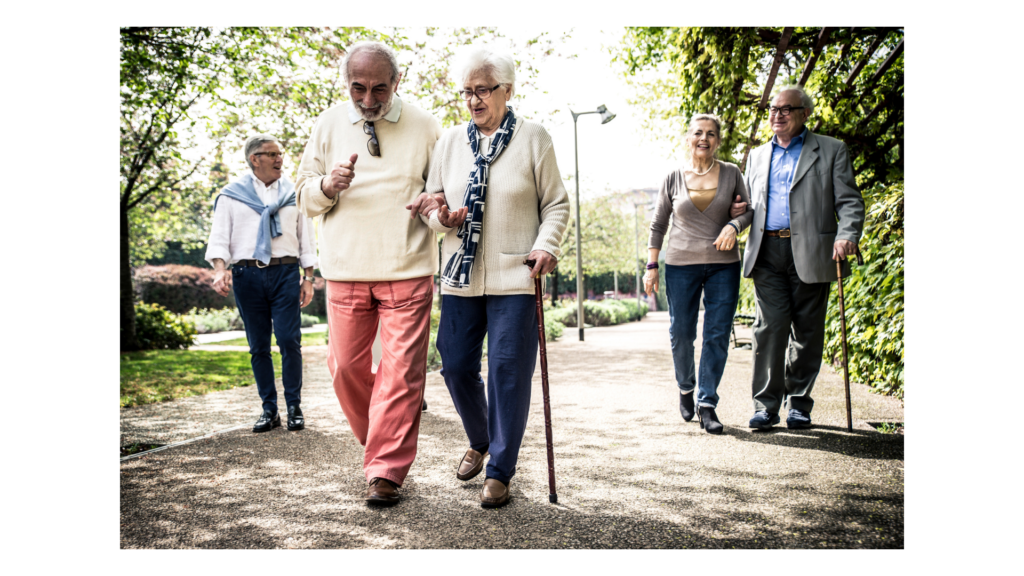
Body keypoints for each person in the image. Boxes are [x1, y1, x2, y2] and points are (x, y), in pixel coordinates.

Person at [407, 46, 569, 508]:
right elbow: (432, 206)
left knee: (507, 372)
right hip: (460, 275)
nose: (474, 100)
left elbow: (555, 204)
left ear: (507, 91)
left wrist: (546, 245)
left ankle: (500, 469)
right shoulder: (450, 143)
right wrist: (443, 217)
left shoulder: (534, 138)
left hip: (515, 275)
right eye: (468, 92)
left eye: (483, 90)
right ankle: (481, 439)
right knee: (455, 363)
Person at [295, 41, 444, 506]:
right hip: (345, 268)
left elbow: (442, 195)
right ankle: (382, 443)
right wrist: (326, 186)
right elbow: (303, 195)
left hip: (407, 266)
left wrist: (434, 206)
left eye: (379, 88)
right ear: (347, 84)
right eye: (358, 88)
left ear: (397, 82)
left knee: (401, 375)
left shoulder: (426, 127)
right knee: (344, 369)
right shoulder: (327, 123)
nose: (368, 99)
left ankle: (385, 470)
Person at [729, 85, 865, 430]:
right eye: (773, 109)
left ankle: (799, 404)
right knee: (769, 328)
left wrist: (847, 234)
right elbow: (749, 203)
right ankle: (765, 405)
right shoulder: (757, 156)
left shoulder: (831, 150)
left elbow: (849, 201)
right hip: (767, 251)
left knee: (807, 331)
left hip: (813, 251)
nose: (777, 115)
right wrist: (736, 214)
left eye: (786, 109)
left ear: (805, 113)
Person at [643, 114, 753, 435]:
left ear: (718, 140)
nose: (704, 138)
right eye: (698, 133)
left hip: (723, 264)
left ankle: (707, 404)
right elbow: (658, 224)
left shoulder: (732, 173)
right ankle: (686, 387)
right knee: (681, 333)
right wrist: (651, 266)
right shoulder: (673, 177)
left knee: (717, 334)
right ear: (688, 138)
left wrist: (734, 225)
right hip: (680, 264)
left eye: (711, 134)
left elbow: (746, 210)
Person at [205, 134, 317, 434]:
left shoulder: (296, 192)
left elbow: (306, 238)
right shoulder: (231, 195)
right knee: (258, 347)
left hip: (285, 273)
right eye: (273, 154)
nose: (280, 158)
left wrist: (309, 278)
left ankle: (294, 406)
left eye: (280, 153)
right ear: (255, 159)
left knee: (289, 340)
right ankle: (269, 409)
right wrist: (219, 269)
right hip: (247, 276)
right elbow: (220, 238)